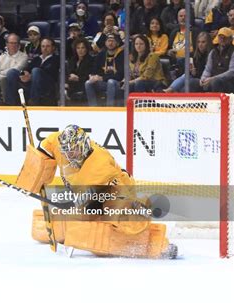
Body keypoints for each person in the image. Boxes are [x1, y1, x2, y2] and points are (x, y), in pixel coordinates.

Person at [16, 124, 177, 259]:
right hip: (90, 192)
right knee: (77, 220)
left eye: (73, 151)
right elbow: (45, 148)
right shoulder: (58, 142)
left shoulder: (99, 164)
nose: (68, 155)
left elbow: (93, 200)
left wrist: (72, 206)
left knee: (112, 222)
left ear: (83, 146)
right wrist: (37, 170)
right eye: (66, 151)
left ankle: (157, 244)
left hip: (116, 192)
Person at [5, 37, 60, 106]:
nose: (45, 48)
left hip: (47, 84)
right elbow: (27, 69)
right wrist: (24, 73)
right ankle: (10, 103)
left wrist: (32, 75)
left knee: (35, 70)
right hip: (32, 82)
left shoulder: (56, 59)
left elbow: (51, 72)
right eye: (43, 46)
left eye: (48, 46)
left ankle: (34, 101)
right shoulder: (37, 59)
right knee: (12, 72)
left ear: (53, 48)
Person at [85, 34, 124, 106]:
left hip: (118, 83)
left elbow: (120, 75)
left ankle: (109, 108)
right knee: (88, 83)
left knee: (111, 82)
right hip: (103, 82)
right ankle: (93, 108)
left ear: (117, 43)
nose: (110, 43)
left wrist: (102, 78)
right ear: (105, 43)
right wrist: (92, 76)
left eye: (113, 41)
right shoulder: (101, 54)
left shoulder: (122, 55)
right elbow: (95, 69)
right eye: (108, 41)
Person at [199, 27, 234, 93]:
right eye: (220, 37)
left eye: (225, 37)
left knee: (216, 82)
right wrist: (203, 79)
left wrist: (214, 78)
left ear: (230, 39)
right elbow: (207, 69)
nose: (222, 39)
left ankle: (217, 102)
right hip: (212, 80)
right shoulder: (213, 52)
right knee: (192, 83)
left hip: (229, 83)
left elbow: (232, 72)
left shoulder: (233, 52)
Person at [66, 37, 94, 103]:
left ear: (86, 49)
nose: (80, 50)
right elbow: (67, 73)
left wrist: (78, 78)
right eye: (78, 48)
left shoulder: (91, 60)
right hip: (71, 85)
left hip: (83, 86)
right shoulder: (72, 60)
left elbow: (89, 76)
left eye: (82, 48)